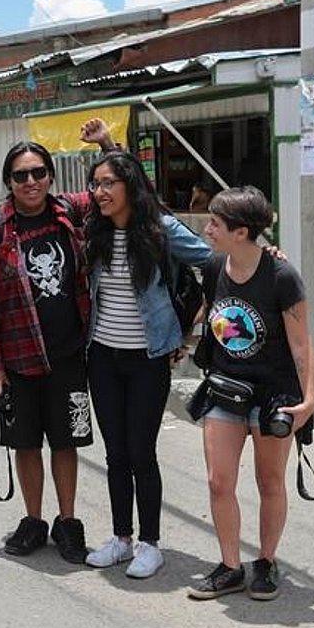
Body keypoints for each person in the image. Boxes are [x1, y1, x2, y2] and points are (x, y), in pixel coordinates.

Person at [0, 129, 113, 564]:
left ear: (50, 176)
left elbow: (126, 182)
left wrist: (108, 145)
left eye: (38, 172)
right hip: (17, 361)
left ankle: (67, 522)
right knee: (26, 443)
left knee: (66, 442)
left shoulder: (70, 210)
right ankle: (33, 520)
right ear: (9, 182)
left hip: (69, 355)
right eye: (20, 176)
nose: (30, 182)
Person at [80, 142, 211, 579]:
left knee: (142, 452)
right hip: (101, 356)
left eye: (109, 183)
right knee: (115, 453)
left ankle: (150, 544)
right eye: (95, 184)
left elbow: (212, 258)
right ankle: (121, 539)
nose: (100, 192)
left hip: (148, 359)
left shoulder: (160, 230)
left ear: (130, 186)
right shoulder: (92, 232)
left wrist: (265, 255)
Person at [189, 187, 314, 601]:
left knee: (270, 482)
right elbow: (210, 313)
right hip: (225, 389)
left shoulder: (281, 276)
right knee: (218, 481)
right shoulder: (213, 267)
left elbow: (301, 344)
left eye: (215, 223)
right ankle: (230, 567)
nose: (207, 229)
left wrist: (309, 399)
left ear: (241, 232)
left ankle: (266, 561)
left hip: (273, 396)